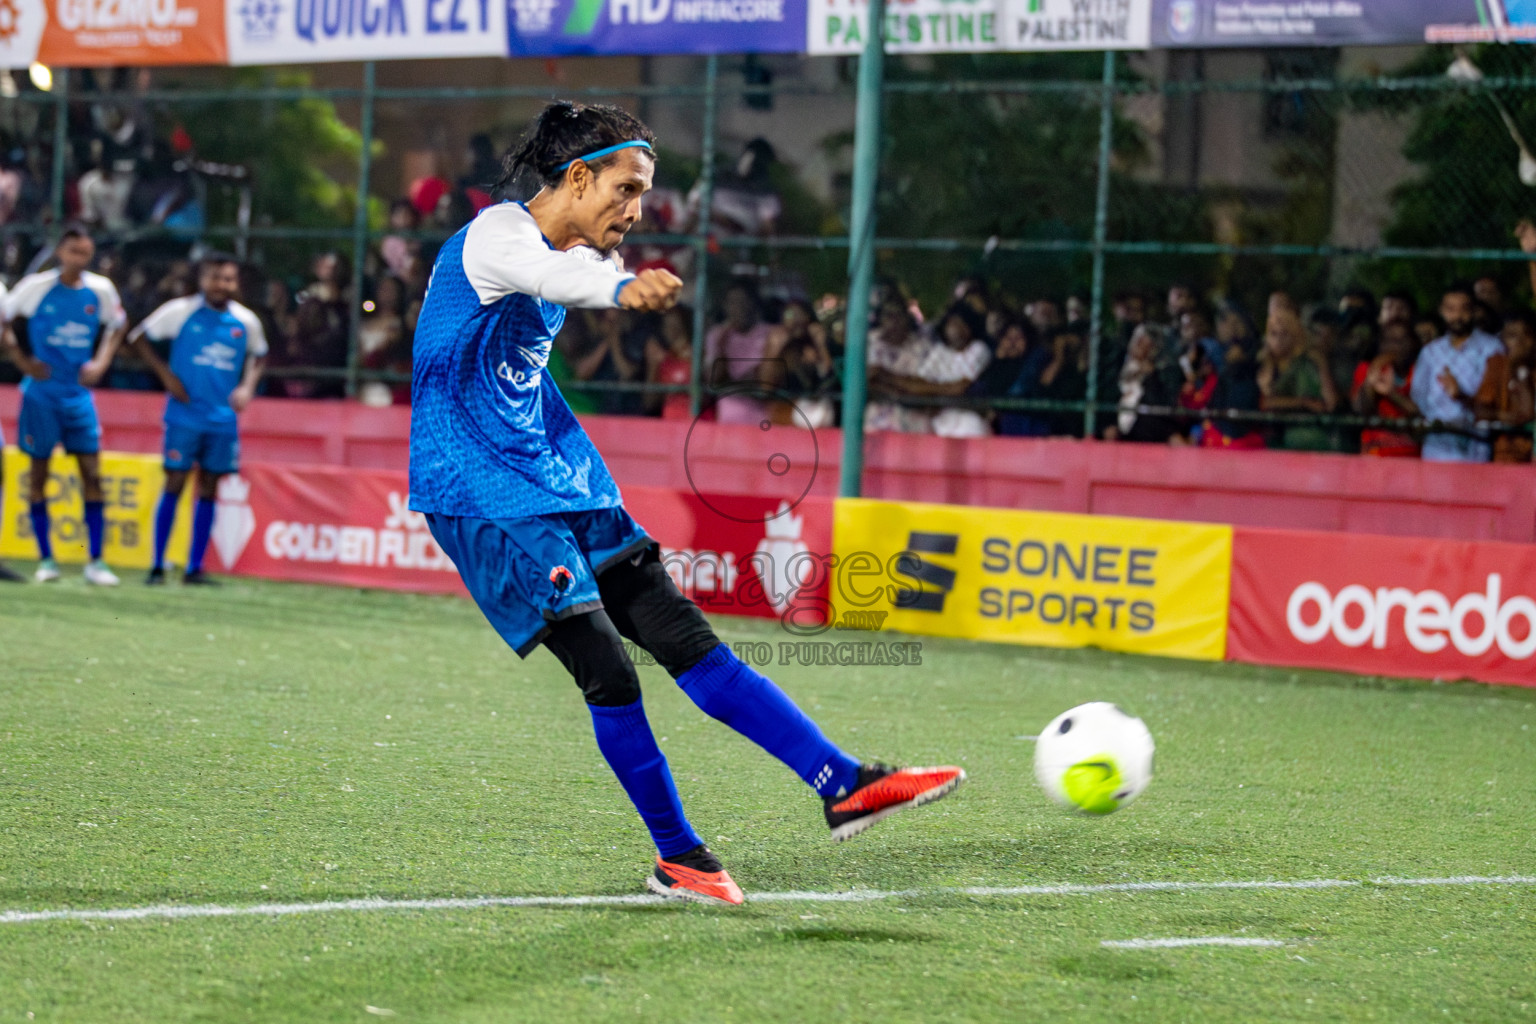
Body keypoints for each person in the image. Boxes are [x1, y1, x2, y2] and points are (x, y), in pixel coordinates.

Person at [408, 102, 963, 906]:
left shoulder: (566, 251)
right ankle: (682, 858)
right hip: (481, 490)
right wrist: (619, 286)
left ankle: (840, 783)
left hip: (557, 470)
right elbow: (547, 275)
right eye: (626, 191)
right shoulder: (499, 236)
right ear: (577, 177)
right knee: (607, 668)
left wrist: (613, 279)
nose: (635, 212)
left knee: (683, 636)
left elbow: (558, 282)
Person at [127, 253, 267, 584]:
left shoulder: (245, 322)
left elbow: (260, 355)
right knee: (175, 482)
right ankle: (158, 565)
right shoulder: (180, 312)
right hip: (184, 415)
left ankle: (194, 567)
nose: (222, 284)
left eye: (228, 279)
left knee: (209, 487)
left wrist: (247, 387)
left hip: (221, 418)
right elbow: (138, 337)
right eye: (215, 277)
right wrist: (166, 376)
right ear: (203, 279)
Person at [0, 227, 127, 585]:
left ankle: (97, 561)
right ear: (60, 252)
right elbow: (4, 320)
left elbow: (118, 325)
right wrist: (22, 362)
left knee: (92, 473)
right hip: (41, 394)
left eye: (85, 254)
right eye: (73, 252)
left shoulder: (100, 290)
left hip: (78, 396)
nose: (78, 260)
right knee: (39, 474)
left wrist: (101, 362)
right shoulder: (36, 287)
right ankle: (46, 559)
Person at [1410, 284, 1505, 463]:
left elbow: (1496, 403)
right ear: (1441, 311)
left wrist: (1460, 394)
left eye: (1464, 309)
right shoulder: (1430, 352)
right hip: (1436, 448)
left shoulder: (1492, 349)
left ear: (1474, 311)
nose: (1457, 316)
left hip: (1476, 448)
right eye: (1450, 309)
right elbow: (1418, 398)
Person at [1258, 308, 1338, 452]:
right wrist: (1303, 403)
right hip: (1268, 439)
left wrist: (1321, 365)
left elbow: (1330, 404)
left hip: (1304, 437)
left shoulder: (1307, 363)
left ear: (1295, 335)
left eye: (1285, 334)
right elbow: (1264, 402)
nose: (1278, 340)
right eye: (1273, 334)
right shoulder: (1262, 364)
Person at [1351, 319, 1419, 458]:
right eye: (1389, 340)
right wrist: (1370, 383)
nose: (1394, 347)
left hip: (1409, 456)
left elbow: (1421, 415)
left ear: (1411, 343)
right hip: (1375, 454)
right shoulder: (1366, 368)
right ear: (1380, 344)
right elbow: (1360, 409)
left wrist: (1391, 393)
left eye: (1400, 341)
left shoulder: (1418, 370)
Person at [1489, 309, 1535, 464]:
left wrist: (1521, 370)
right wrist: (1500, 416)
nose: (1520, 342)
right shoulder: (1496, 365)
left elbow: (1527, 413)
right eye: (1512, 336)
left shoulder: (1527, 370)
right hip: (1505, 454)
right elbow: (1479, 409)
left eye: (1527, 335)